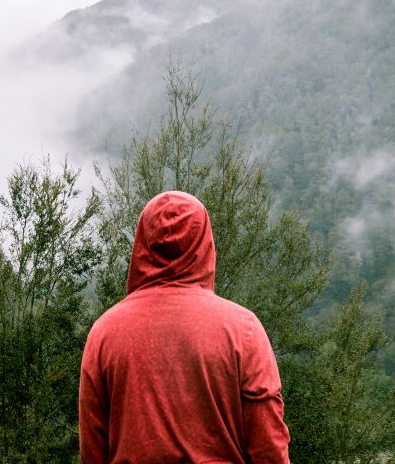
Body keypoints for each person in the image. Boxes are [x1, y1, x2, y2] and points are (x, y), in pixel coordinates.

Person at [79, 190, 290, 464]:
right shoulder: (243, 329)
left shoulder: (104, 333)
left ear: (142, 244)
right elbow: (268, 447)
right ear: (205, 245)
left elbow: (93, 451)